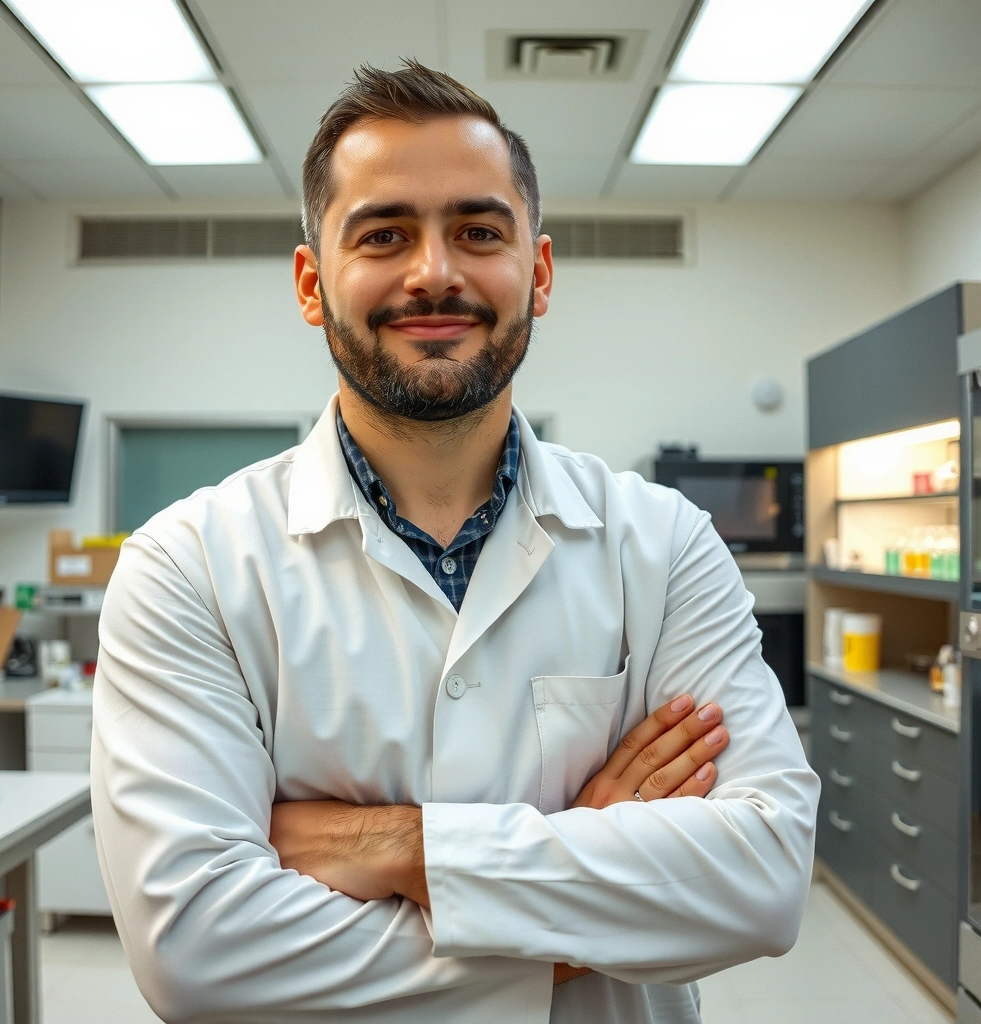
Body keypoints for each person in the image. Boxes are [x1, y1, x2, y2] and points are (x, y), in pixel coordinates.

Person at [91, 60, 819, 1024]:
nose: (434, 272)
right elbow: (197, 950)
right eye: (384, 234)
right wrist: (578, 891)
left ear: (539, 272)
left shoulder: (666, 544)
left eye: (478, 231)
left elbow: (760, 879)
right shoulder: (187, 565)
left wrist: (387, 846)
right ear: (313, 284)